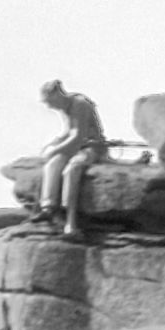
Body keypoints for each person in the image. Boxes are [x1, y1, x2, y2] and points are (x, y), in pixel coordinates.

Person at [36, 79, 109, 224]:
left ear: (57, 95)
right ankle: (48, 207)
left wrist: (55, 150)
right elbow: (68, 132)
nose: (49, 106)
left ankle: (68, 214)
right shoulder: (65, 108)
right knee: (52, 164)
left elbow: (77, 136)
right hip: (76, 147)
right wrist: (54, 143)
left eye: (49, 101)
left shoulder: (79, 104)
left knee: (70, 170)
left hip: (91, 148)